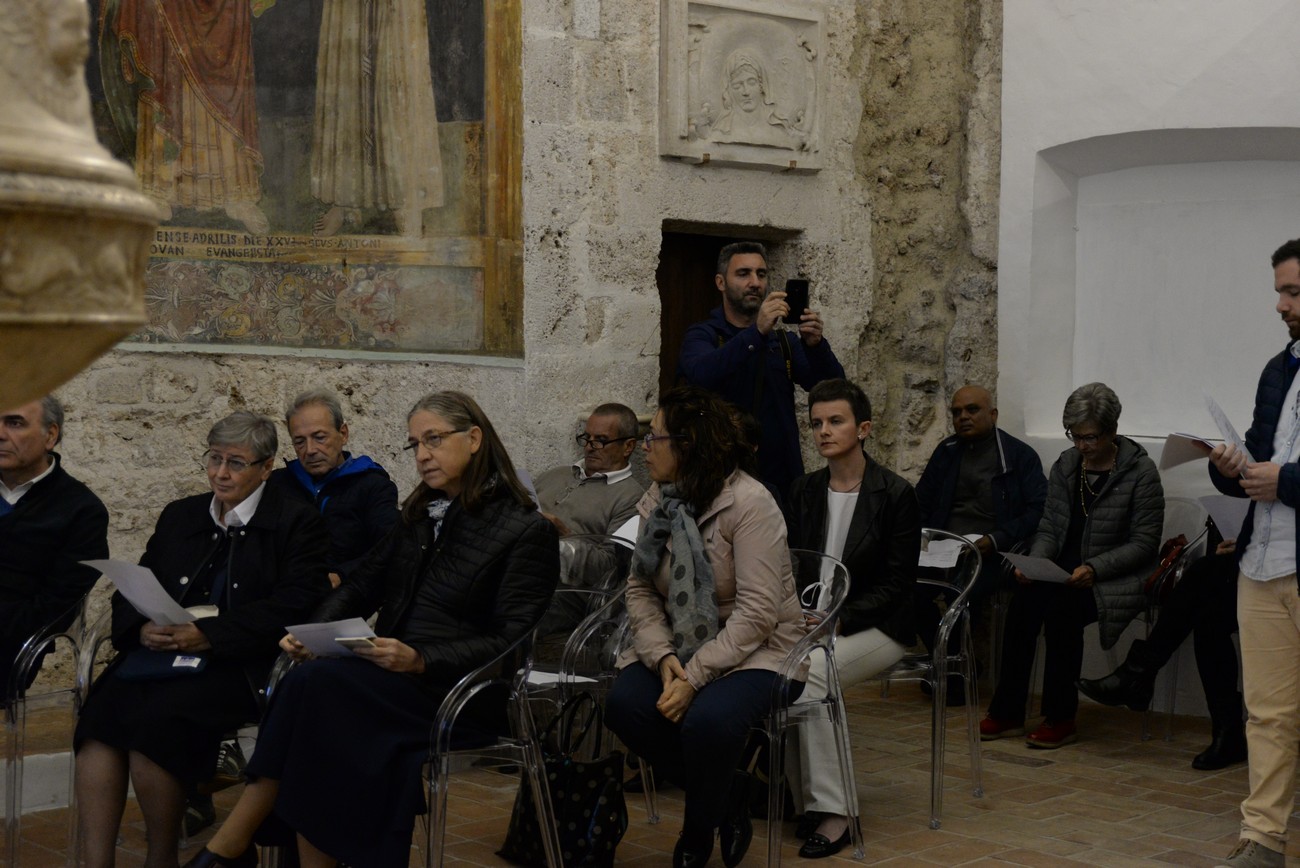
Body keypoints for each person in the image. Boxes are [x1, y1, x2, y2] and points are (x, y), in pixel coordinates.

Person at [183, 391, 559, 868]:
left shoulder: (526, 529)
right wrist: (312, 631)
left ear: (474, 439)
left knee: (317, 690)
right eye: (415, 444)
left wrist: (420, 659)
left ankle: (232, 844)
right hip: (395, 676)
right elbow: (362, 585)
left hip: (461, 692)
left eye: (434, 440)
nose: (422, 455)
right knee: (314, 694)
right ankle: (239, 846)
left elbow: (510, 640)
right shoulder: (421, 513)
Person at [74, 412, 331, 868]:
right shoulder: (182, 514)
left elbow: (294, 603)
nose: (221, 473)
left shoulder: (296, 521)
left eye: (236, 462)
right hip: (159, 654)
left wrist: (209, 636)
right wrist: (141, 627)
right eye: (214, 458)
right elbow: (134, 585)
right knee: (100, 718)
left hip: (238, 663)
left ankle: (161, 858)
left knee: (156, 722)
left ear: (266, 468)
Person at [604, 385, 807, 868]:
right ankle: (730, 793)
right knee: (624, 705)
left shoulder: (751, 503)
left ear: (687, 445)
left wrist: (694, 678)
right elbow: (640, 590)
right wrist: (663, 657)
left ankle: (696, 837)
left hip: (762, 650)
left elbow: (758, 613)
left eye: (654, 437)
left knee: (708, 721)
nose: (645, 448)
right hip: (679, 645)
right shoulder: (659, 498)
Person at [980, 382, 1163, 750]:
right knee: (1023, 605)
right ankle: (1009, 711)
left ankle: (1060, 717)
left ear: (1112, 430)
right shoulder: (1067, 464)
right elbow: (1050, 525)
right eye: (1075, 436)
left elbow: (1144, 544)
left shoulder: (1141, 472)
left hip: (1114, 577)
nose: (1082, 445)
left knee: (1062, 614)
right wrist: (1036, 562)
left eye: (1090, 437)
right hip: (1064, 570)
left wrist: (1095, 568)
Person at [783, 379, 918, 858]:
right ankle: (804, 801)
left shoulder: (895, 493)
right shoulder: (804, 490)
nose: (823, 431)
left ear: (863, 429)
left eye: (835, 421)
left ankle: (837, 811)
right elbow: (791, 564)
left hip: (879, 625)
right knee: (781, 667)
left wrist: (838, 621)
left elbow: (898, 583)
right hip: (812, 622)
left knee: (815, 673)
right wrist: (797, 615)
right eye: (816, 423)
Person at [1205, 238, 1300, 868]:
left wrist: (1285, 482)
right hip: (1262, 561)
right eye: (1280, 291)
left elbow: (1282, 475)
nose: (1280, 305)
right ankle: (1263, 839)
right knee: (1266, 713)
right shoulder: (1277, 368)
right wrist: (1230, 467)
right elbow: (1261, 454)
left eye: (1292, 291)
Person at [677, 241, 845, 492]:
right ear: (721, 282)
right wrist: (756, 333)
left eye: (761, 274)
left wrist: (816, 345)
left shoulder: (783, 342)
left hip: (782, 482)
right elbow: (701, 375)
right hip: (720, 479)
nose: (755, 282)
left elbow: (833, 390)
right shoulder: (703, 335)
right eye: (743, 274)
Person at [914, 385, 1047, 701]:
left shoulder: (1018, 456)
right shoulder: (947, 451)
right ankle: (953, 665)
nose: (963, 417)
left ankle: (954, 674)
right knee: (907, 590)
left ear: (993, 414)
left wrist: (996, 538)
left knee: (960, 591)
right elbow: (921, 502)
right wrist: (922, 537)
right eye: (957, 412)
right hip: (945, 547)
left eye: (972, 410)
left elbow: (1039, 509)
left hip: (993, 552)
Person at [1076, 535, 1244, 769]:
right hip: (1250, 568)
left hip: (1279, 574)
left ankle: (1136, 676)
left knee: (1205, 583)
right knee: (1208, 612)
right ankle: (1228, 734)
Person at [0, 395, 108, 690]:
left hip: (10, 645)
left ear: (50, 435)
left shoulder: (81, 511)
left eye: (14, 423)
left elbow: (54, 608)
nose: (0, 434)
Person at [268, 388, 399, 589]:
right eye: (299, 441)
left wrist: (341, 575)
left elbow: (390, 547)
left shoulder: (373, 486)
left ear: (343, 434)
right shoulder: (278, 484)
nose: (310, 450)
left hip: (346, 593)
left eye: (320, 437)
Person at [532, 402, 644, 538]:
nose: (589, 447)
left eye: (601, 440)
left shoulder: (631, 498)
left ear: (628, 447)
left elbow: (611, 551)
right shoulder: (555, 474)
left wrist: (565, 535)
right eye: (587, 438)